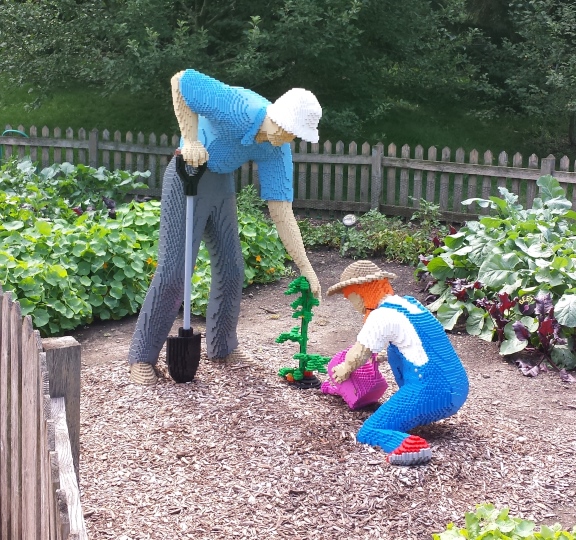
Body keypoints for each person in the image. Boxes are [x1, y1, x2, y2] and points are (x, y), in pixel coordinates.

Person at [129, 69, 322, 385]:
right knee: (175, 272)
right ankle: (142, 358)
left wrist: (306, 267)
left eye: (293, 134)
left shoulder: (277, 147)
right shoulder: (237, 106)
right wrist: (190, 139)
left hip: (221, 185)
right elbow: (181, 81)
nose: (286, 137)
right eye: (285, 128)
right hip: (186, 176)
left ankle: (222, 348)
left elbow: (282, 211)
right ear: (275, 113)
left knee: (233, 268)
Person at [326, 260, 469, 465]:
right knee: (397, 413)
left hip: (432, 390)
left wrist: (344, 369)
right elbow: (415, 344)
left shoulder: (381, 316)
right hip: (458, 386)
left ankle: (411, 446)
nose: (352, 304)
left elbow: (358, 354)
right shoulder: (409, 304)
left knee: (370, 430)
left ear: (360, 292)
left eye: (350, 297)